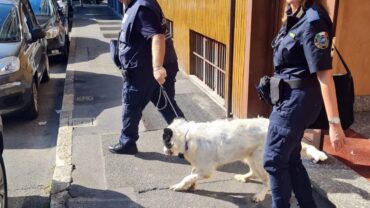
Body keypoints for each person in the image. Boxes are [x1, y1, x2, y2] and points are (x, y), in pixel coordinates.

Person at [263, 0, 346, 207]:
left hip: (297, 102)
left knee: (273, 160)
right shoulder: (294, 14)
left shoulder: (313, 20)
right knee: (290, 159)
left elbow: (324, 74)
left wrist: (334, 124)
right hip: (288, 99)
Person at [109, 0, 185, 155]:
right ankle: (188, 144)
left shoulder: (142, 8)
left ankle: (128, 142)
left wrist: (157, 68)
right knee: (168, 107)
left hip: (145, 72)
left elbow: (157, 37)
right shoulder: (134, 5)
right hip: (145, 70)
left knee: (132, 105)